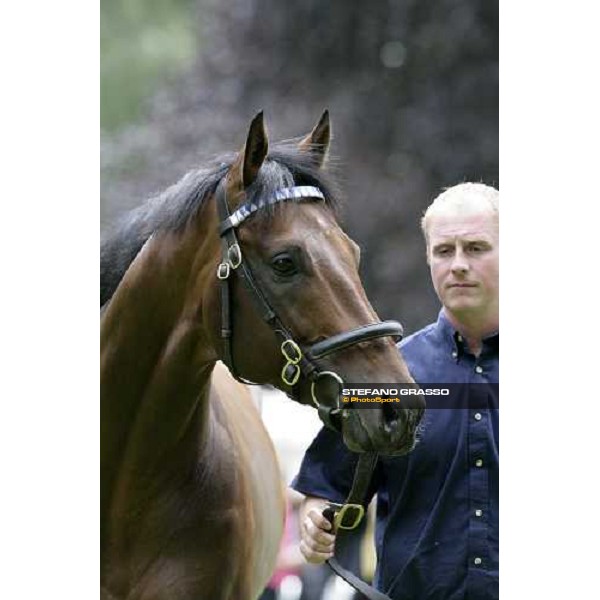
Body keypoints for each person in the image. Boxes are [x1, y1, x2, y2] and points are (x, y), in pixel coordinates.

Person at [292, 182, 499, 600]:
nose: (458, 264)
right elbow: (326, 488)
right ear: (429, 259)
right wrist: (315, 521)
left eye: (476, 248)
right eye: (445, 251)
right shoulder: (384, 381)